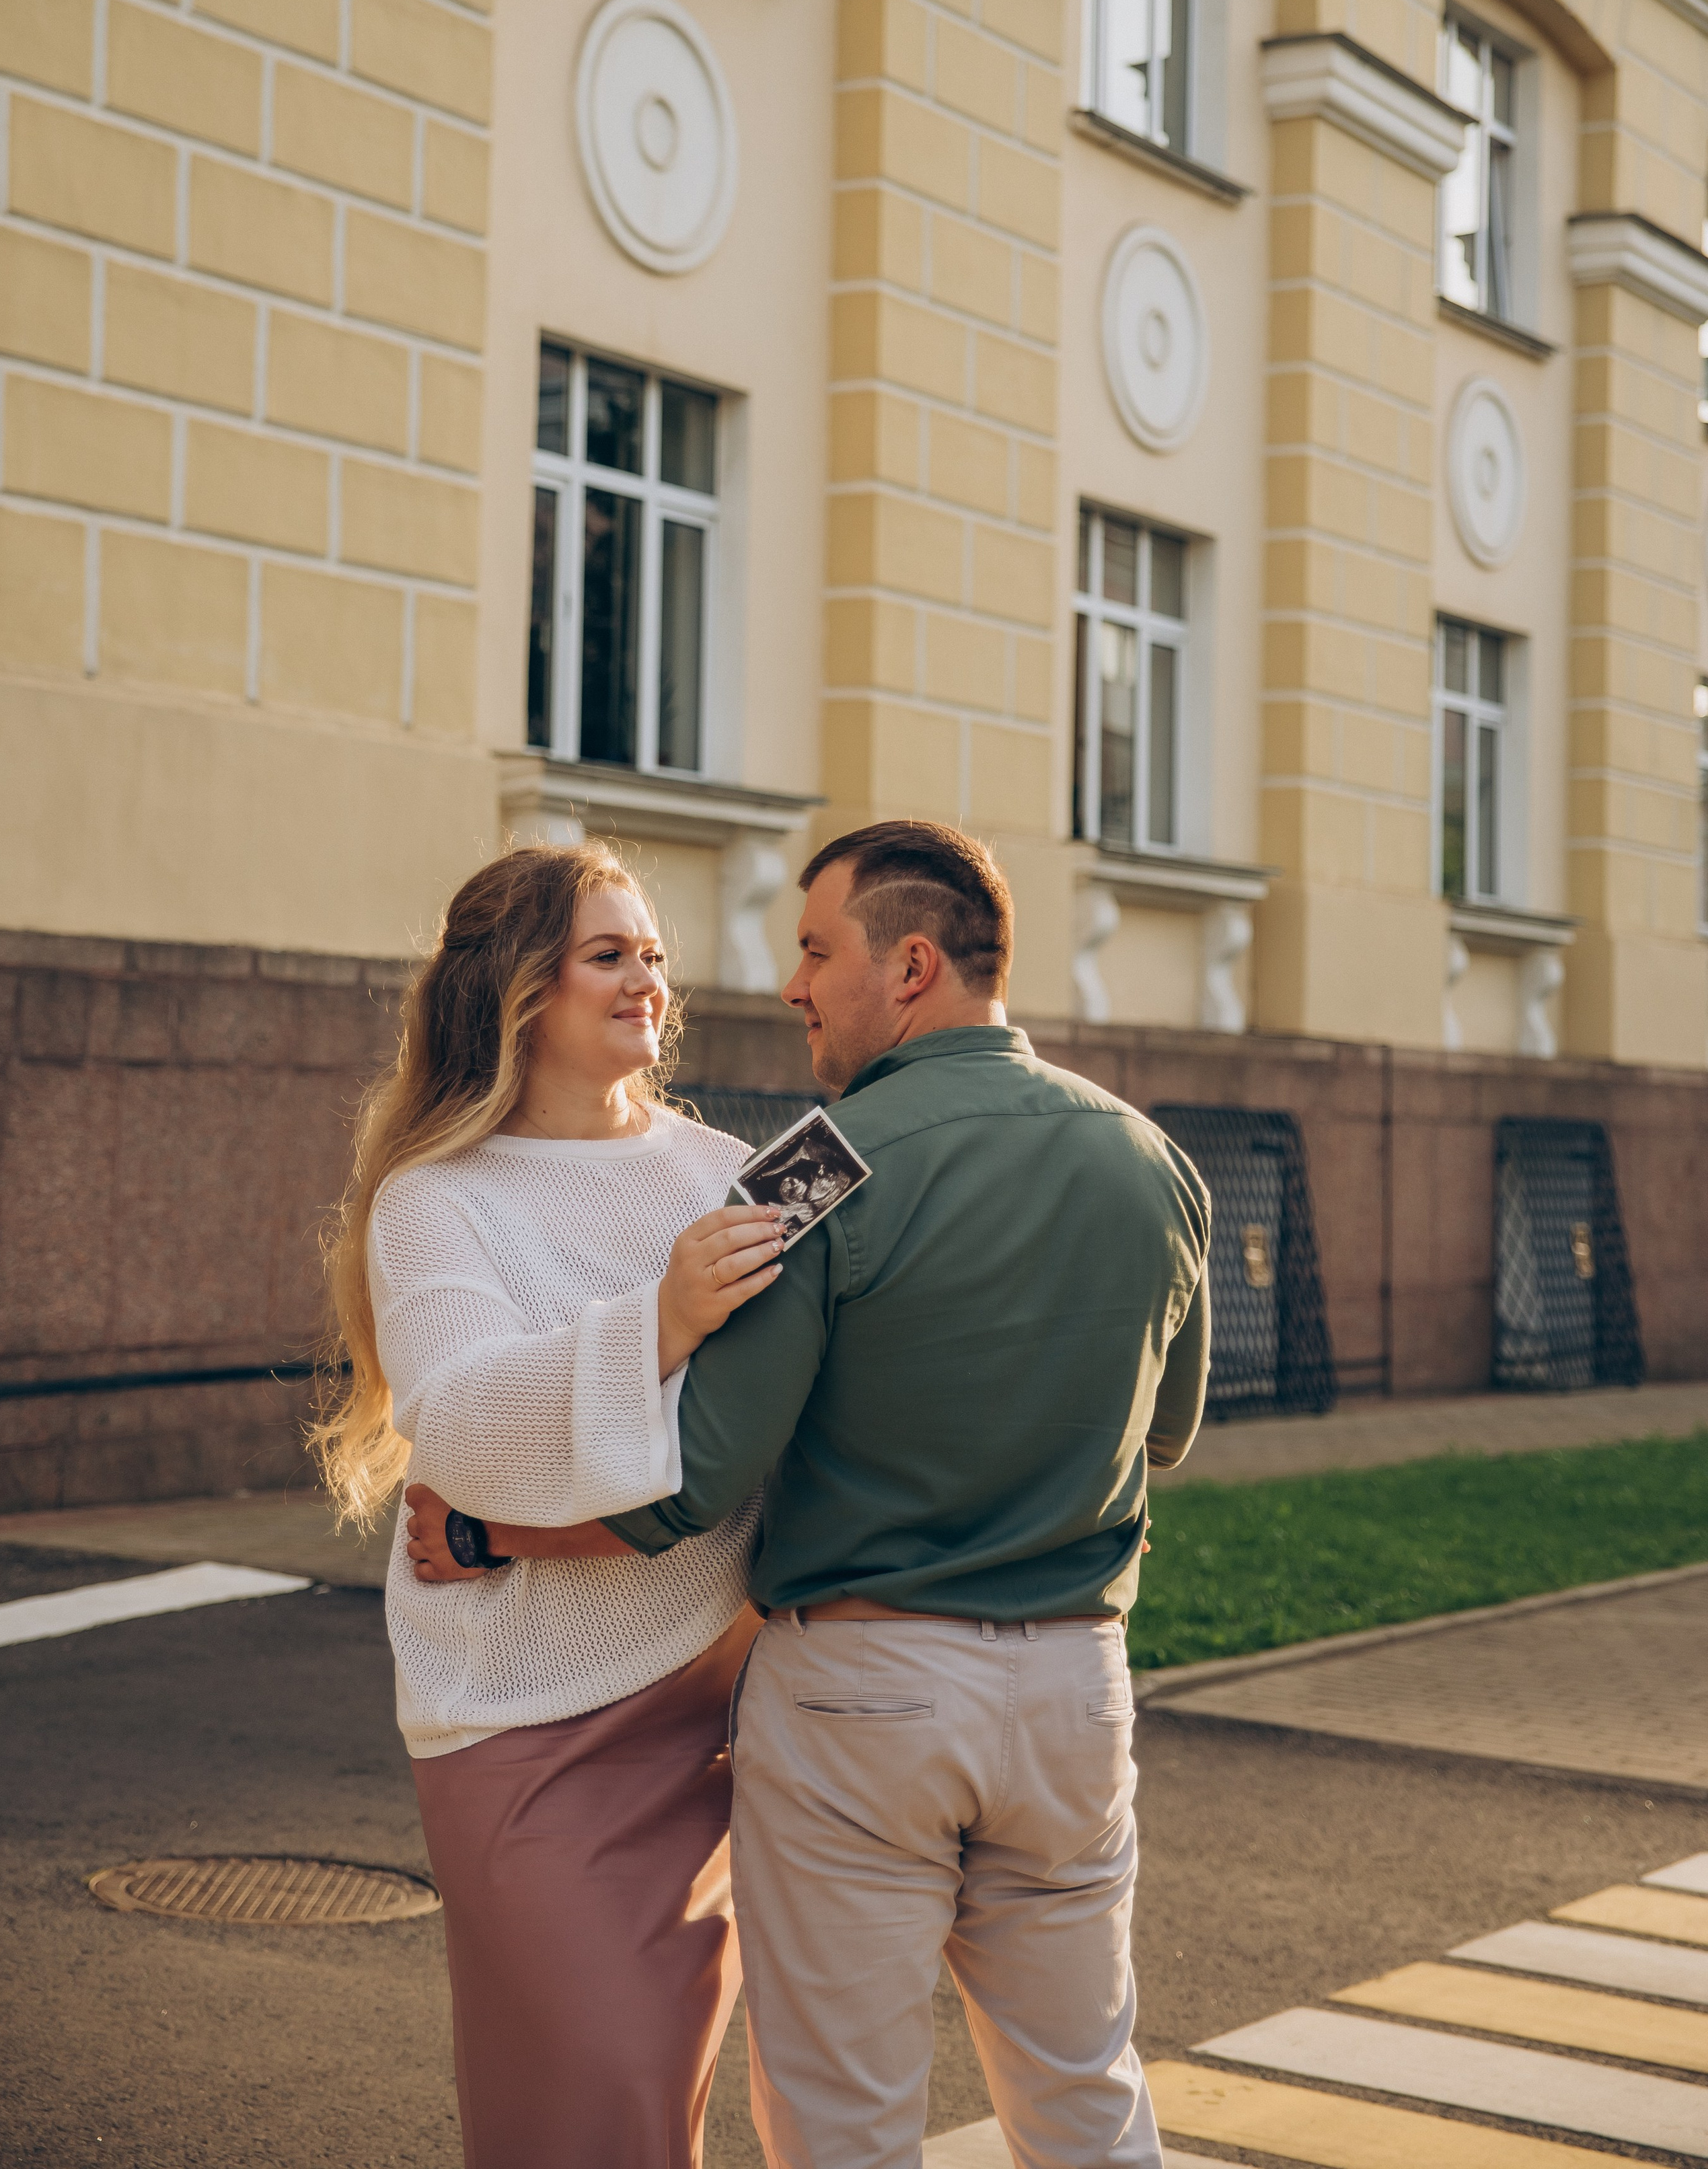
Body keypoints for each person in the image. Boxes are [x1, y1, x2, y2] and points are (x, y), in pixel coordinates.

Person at [415, 819, 1212, 2169]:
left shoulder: (814, 1168)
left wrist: (491, 1530)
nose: (792, 985)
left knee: (841, 2119)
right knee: (1085, 2092)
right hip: (1078, 1695)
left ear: (909, 967)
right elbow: (1170, 1432)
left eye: (813, 950)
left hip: (862, 1698)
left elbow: (692, 1479)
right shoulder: (1149, 1158)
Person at [311, 840, 786, 2169]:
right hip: (526, 1723)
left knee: (651, 2102)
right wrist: (663, 1318)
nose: (647, 978)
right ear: (519, 992)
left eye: (651, 953)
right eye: (607, 953)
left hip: (717, 1704)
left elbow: (787, 1418)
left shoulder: (725, 1173)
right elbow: (458, 1422)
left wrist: (497, 1529)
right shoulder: (435, 1200)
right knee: (589, 2096)